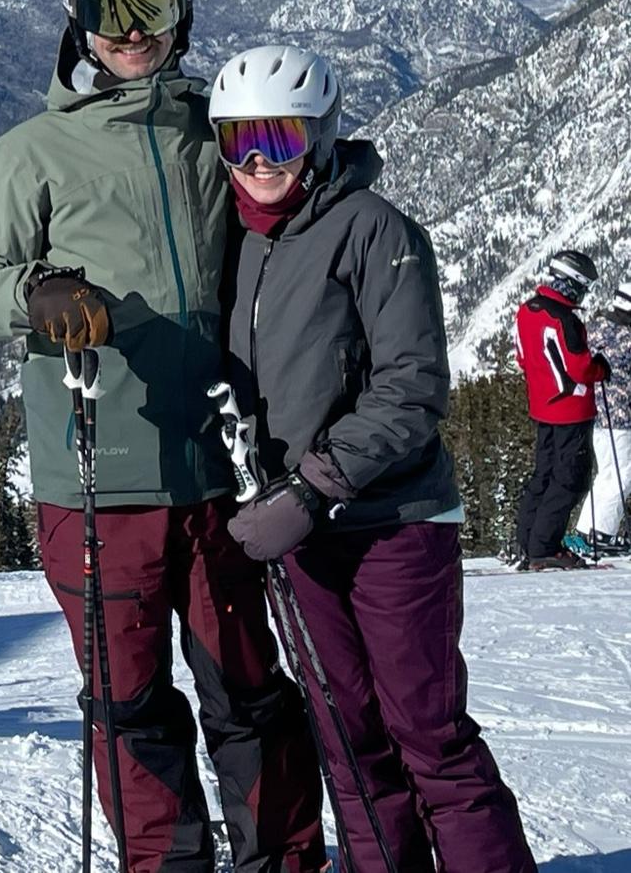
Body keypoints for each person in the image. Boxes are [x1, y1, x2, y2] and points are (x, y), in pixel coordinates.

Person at [0, 0, 324, 873]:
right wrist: (36, 295)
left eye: (148, 7)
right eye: (109, 12)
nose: (131, 32)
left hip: (224, 468)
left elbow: (300, 186)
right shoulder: (29, 154)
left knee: (250, 691)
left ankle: (283, 860)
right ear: (76, 23)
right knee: (129, 705)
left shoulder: (212, 127)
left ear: (182, 11)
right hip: (99, 480)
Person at [210, 43, 536, 873]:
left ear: (319, 139)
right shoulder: (235, 241)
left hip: (392, 519)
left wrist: (314, 488)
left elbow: (413, 385)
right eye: (237, 141)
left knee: (427, 734)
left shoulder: (373, 228)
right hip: (299, 531)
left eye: (277, 141)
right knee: (348, 740)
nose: (256, 162)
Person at [514, 250, 611, 569]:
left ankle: (527, 541)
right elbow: (581, 368)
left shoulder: (527, 310)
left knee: (544, 473)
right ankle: (544, 547)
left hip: (543, 407)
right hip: (572, 409)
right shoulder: (566, 320)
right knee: (569, 478)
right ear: (573, 283)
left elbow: (522, 358)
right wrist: (600, 368)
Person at [573, 277, 631, 552]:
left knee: (608, 473)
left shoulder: (597, 330)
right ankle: (602, 532)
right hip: (620, 418)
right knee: (622, 474)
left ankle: (588, 530)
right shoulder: (626, 338)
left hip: (596, 415)